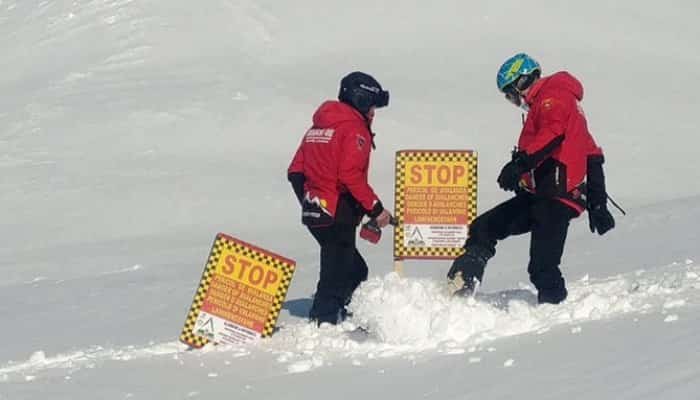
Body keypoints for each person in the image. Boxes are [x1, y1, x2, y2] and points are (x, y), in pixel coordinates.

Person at [447, 53, 616, 304]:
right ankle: (461, 285)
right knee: (484, 227)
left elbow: (553, 134)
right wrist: (597, 202)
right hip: (541, 195)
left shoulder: (553, 97)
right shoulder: (554, 104)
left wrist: (520, 164)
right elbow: (591, 154)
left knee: (542, 267)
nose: (514, 101)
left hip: (557, 197)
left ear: (523, 82)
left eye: (511, 94)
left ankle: (554, 315)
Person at [287, 72, 393, 324]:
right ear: (360, 100)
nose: (373, 113)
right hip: (337, 210)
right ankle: (324, 321)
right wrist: (376, 210)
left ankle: (337, 312)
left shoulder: (317, 128)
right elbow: (350, 176)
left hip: (316, 211)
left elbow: (295, 171)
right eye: (371, 105)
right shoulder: (354, 129)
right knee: (339, 270)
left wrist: (310, 199)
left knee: (354, 269)